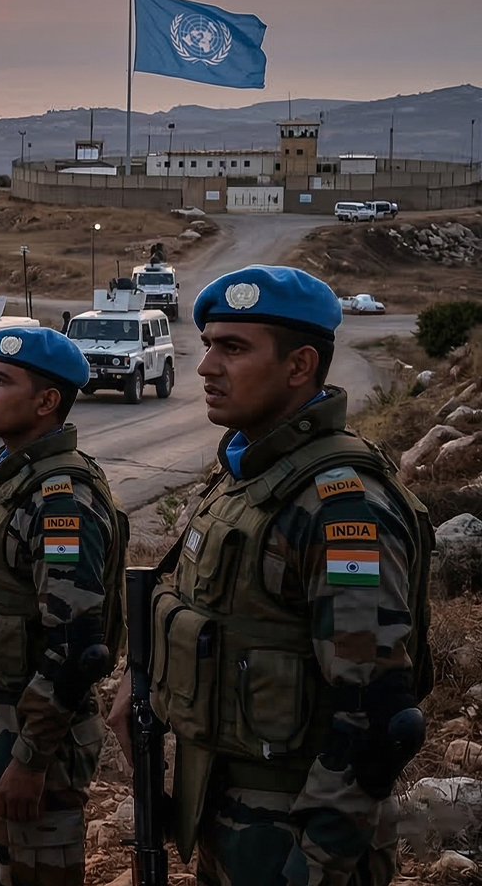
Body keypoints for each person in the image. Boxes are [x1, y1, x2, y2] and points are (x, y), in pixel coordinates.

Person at [109, 265, 433, 886]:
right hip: (226, 814)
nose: (206, 367)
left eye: (233, 348)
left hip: (296, 838)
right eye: (209, 345)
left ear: (299, 365)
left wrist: (314, 865)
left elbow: (377, 717)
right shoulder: (245, 476)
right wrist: (143, 677)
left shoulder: (341, 507)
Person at [0, 327, 128, 886]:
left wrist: (31, 759)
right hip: (1, 720)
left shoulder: (61, 502)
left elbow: (76, 648)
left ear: (46, 401)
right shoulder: (16, 478)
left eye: (1, 380)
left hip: (34, 733)